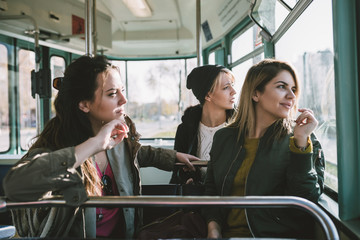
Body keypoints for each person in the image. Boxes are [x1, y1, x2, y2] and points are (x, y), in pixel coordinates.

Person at [3, 55, 198, 239]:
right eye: (113, 93)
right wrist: (96, 144)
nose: (124, 100)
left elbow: (140, 153)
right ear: (84, 105)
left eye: (123, 90)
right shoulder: (56, 149)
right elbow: (19, 184)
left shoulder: (119, 141)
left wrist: (174, 157)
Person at [203, 59, 325, 239]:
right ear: (255, 93)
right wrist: (213, 229)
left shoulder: (303, 139)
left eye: (294, 89)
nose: (291, 96)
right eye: (282, 87)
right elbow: (211, 190)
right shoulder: (224, 138)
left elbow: (305, 203)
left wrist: (300, 142)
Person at [170, 65, 236, 186]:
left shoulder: (240, 127)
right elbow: (177, 171)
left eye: (233, 85)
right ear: (208, 96)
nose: (234, 91)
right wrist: (187, 179)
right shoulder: (185, 129)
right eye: (226, 87)